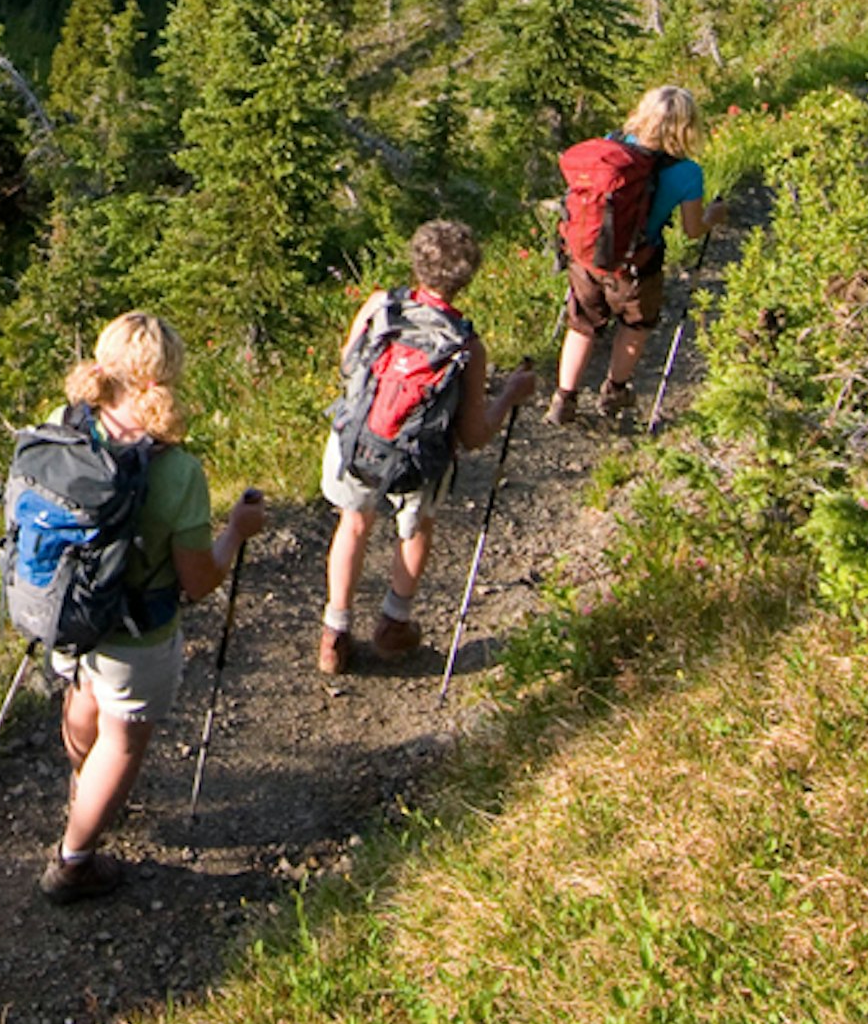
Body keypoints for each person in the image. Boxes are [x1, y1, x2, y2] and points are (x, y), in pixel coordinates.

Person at [43, 311, 270, 903]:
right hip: (134, 631)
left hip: (63, 612)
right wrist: (236, 532)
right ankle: (74, 861)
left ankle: (81, 790)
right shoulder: (176, 471)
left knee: (83, 697)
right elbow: (198, 582)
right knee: (123, 739)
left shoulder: (62, 430)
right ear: (167, 377)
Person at [317, 218, 538, 672]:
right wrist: (510, 395)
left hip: (357, 439)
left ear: (416, 261)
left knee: (353, 524)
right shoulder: (466, 345)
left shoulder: (381, 306)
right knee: (416, 526)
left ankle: (334, 632)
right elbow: (474, 435)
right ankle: (393, 624)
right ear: (467, 276)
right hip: (418, 455)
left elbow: (348, 363)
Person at [556, 85, 709, 427]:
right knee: (635, 325)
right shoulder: (687, 173)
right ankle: (614, 392)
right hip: (636, 267)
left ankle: (564, 399)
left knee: (582, 325)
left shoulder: (611, 147)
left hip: (587, 258)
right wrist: (716, 216)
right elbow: (693, 229)